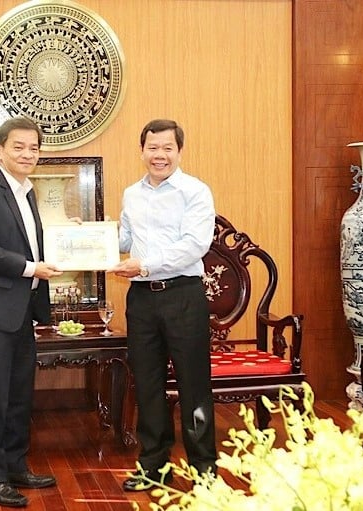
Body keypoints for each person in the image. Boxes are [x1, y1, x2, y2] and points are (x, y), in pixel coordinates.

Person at [0, 117, 62, 508]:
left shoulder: (28, 192)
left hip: (21, 311)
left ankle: (17, 466)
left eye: (34, 147)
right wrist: (30, 267)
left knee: (20, 394)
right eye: (19, 147)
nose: (28, 154)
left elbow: (31, 244)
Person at [111, 119, 217, 491]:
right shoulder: (131, 193)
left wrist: (146, 264)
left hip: (183, 296)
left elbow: (195, 245)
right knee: (148, 384)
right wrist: (88, 234)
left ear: (178, 151)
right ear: (142, 151)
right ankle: (152, 465)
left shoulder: (196, 192)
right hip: (141, 300)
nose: (159, 155)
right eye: (152, 148)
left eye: (167, 148)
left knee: (194, 385)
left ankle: (204, 469)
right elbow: (126, 237)